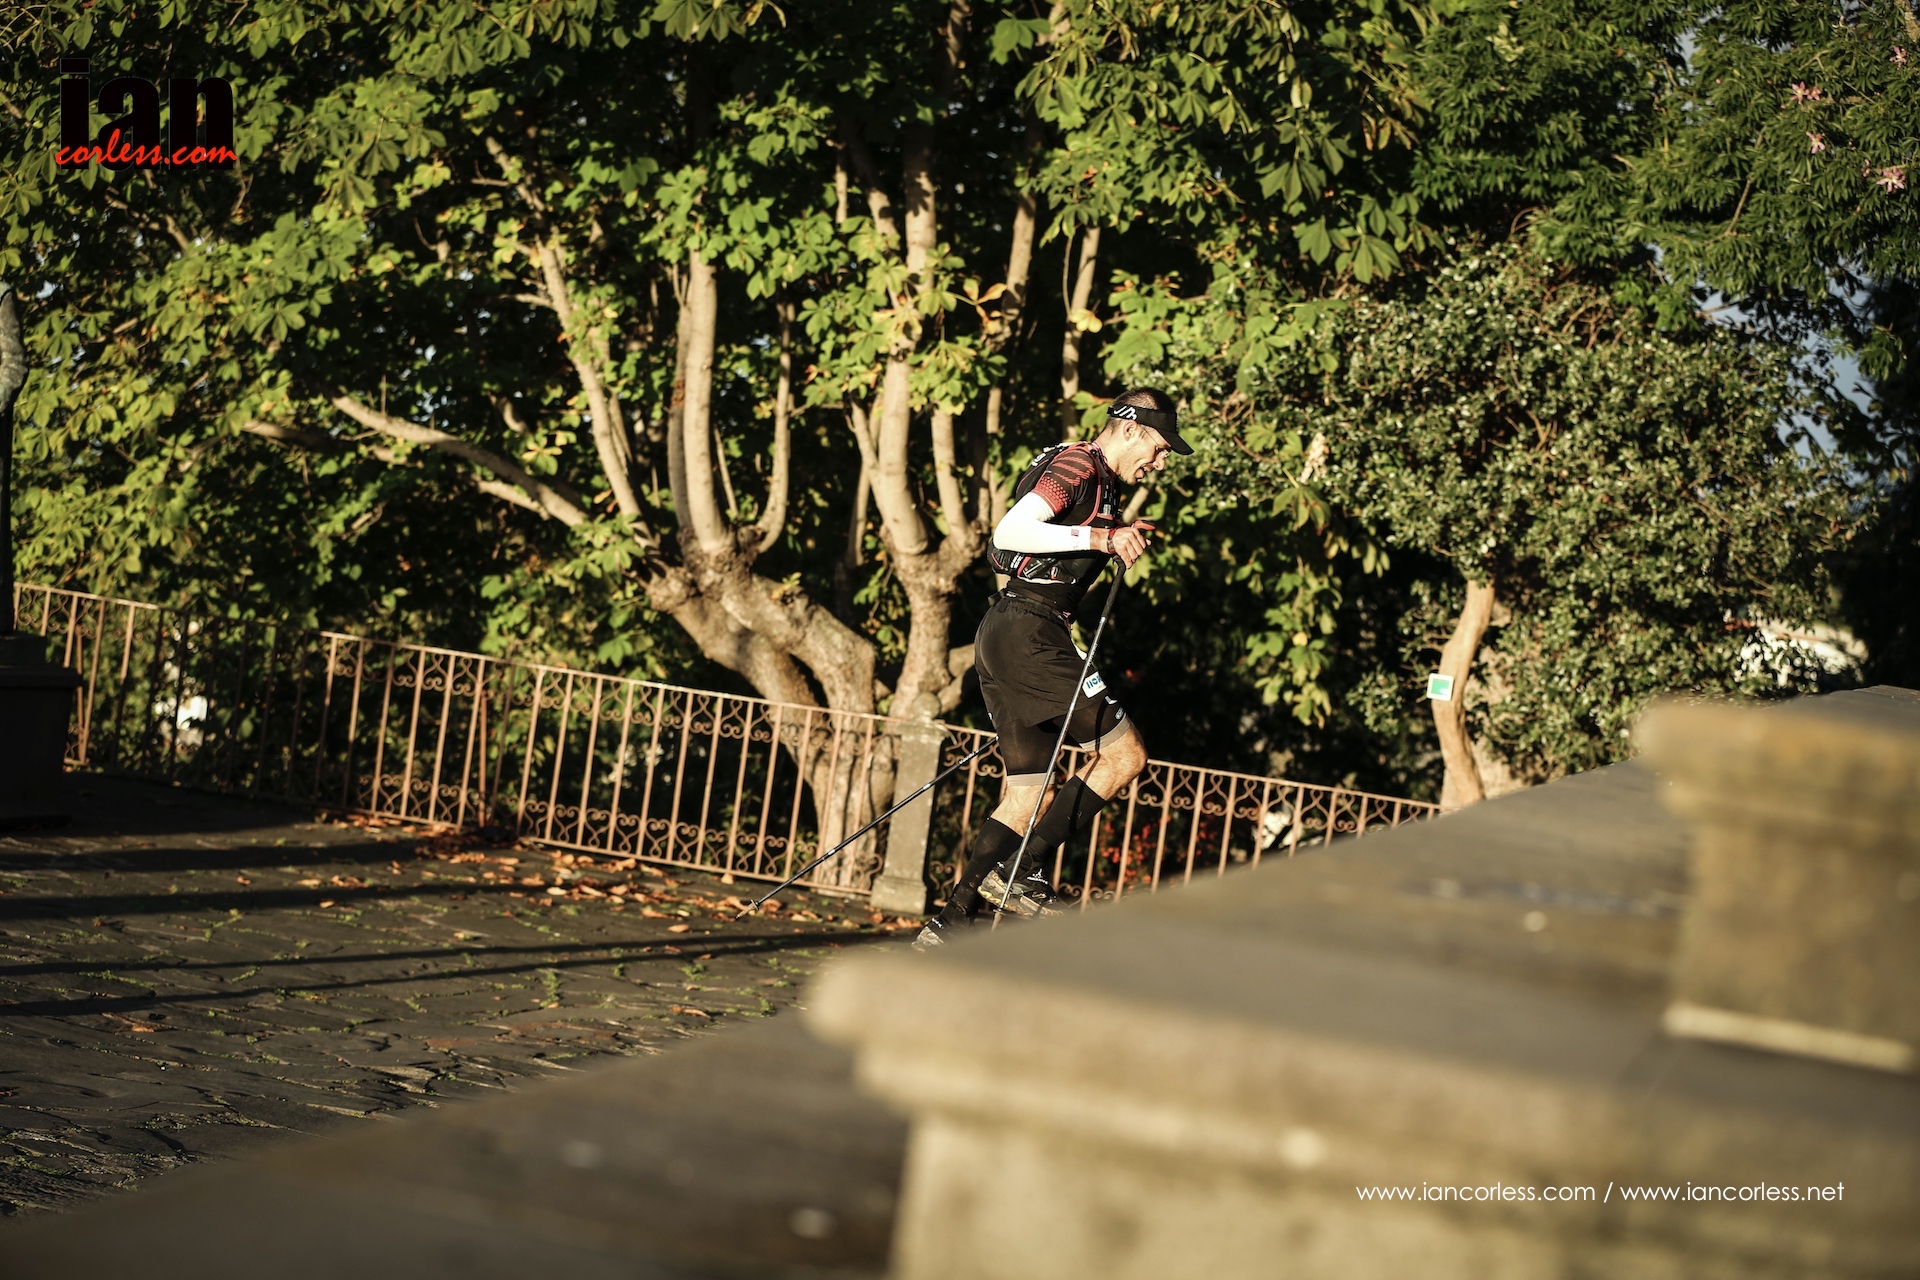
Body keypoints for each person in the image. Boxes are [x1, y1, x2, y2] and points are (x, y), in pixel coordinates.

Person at [915, 388, 1191, 949]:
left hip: (1009, 630)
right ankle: (1025, 870)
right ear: (1131, 429)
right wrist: (1103, 537)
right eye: (1160, 448)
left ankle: (949, 926)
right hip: (1028, 633)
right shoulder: (1078, 465)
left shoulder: (1097, 480)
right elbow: (1008, 533)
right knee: (1125, 755)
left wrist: (1109, 533)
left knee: (1030, 795)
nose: (1160, 463)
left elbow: (1025, 550)